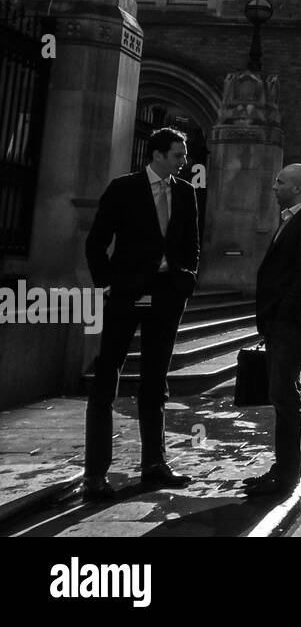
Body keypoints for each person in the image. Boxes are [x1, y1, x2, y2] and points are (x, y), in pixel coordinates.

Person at [82, 127, 200, 500]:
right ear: (158, 154)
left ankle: (155, 465)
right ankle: (95, 476)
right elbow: (96, 242)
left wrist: (186, 280)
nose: (184, 161)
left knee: (155, 380)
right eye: (178, 155)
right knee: (107, 377)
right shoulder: (124, 188)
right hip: (126, 294)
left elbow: (191, 243)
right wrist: (108, 284)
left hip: (167, 295)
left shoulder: (185, 192)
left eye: (184, 155)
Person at [245, 163, 301, 498]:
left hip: (292, 323)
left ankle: (287, 474)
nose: (274, 186)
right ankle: (282, 469)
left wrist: (281, 315)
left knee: (284, 394)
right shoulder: (292, 218)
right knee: (280, 394)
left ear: (296, 188)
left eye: (279, 182)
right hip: (280, 321)